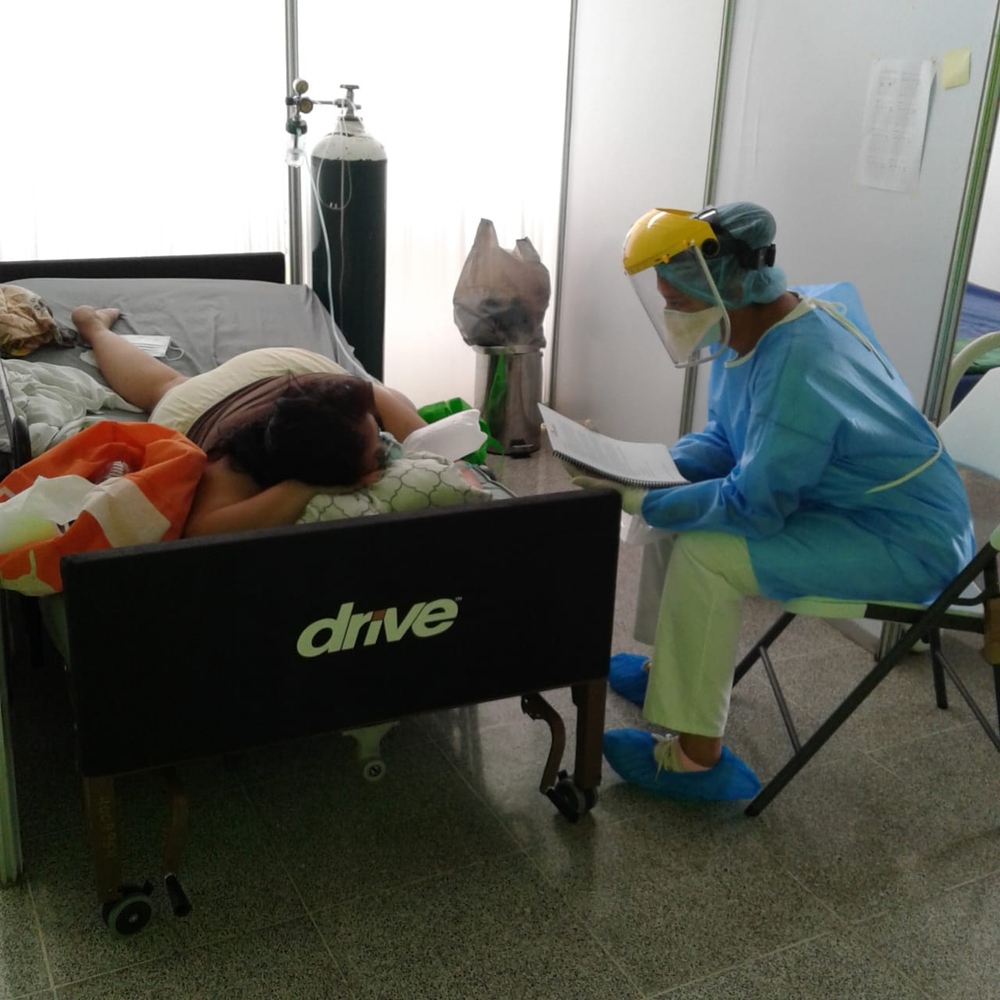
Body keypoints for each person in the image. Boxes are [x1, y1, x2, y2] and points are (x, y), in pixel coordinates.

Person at [571, 202, 976, 802]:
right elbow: (729, 436)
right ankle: (671, 670)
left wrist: (642, 501)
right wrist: (655, 471)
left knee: (707, 548)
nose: (670, 315)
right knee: (676, 497)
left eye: (678, 302)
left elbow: (753, 506)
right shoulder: (755, 329)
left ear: (724, 288)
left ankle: (696, 760)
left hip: (906, 538)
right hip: (845, 505)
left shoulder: (798, 361)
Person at [70, 306, 427, 537]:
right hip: (205, 405)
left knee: (398, 399)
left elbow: (426, 439)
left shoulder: (357, 399)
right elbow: (201, 530)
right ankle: (93, 326)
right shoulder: (234, 464)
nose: (386, 448)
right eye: (378, 455)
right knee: (167, 387)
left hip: (293, 368)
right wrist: (301, 490)